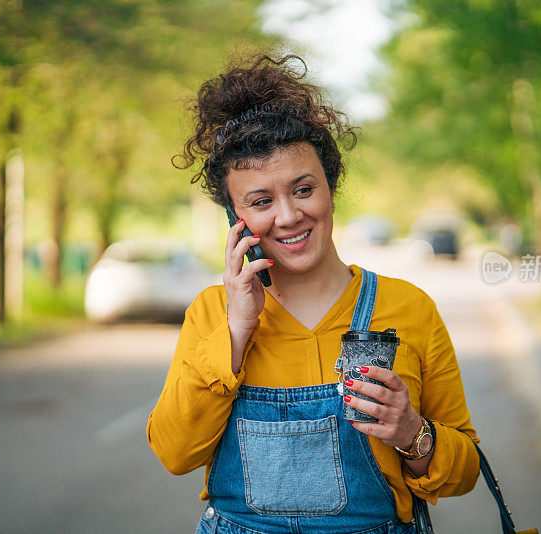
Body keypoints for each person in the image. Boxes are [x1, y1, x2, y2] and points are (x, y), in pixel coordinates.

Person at [147, 55, 480, 534]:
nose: (287, 216)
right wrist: (237, 331)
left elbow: (465, 472)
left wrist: (411, 432)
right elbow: (175, 454)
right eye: (261, 201)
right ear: (234, 218)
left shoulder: (409, 308)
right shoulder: (211, 312)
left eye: (303, 189)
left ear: (330, 187)